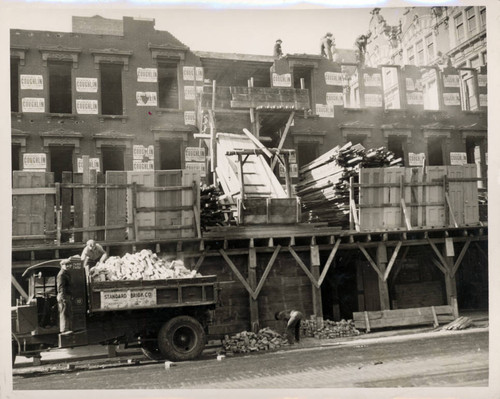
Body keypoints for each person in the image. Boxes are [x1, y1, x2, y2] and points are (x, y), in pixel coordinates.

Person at [57, 259, 72, 334]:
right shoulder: (61, 274)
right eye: (67, 265)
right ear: (62, 265)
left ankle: (67, 328)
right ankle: (64, 330)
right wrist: (63, 298)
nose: (68, 266)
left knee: (67, 312)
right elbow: (61, 287)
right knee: (64, 312)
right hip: (63, 295)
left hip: (66, 295)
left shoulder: (65, 273)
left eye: (69, 264)